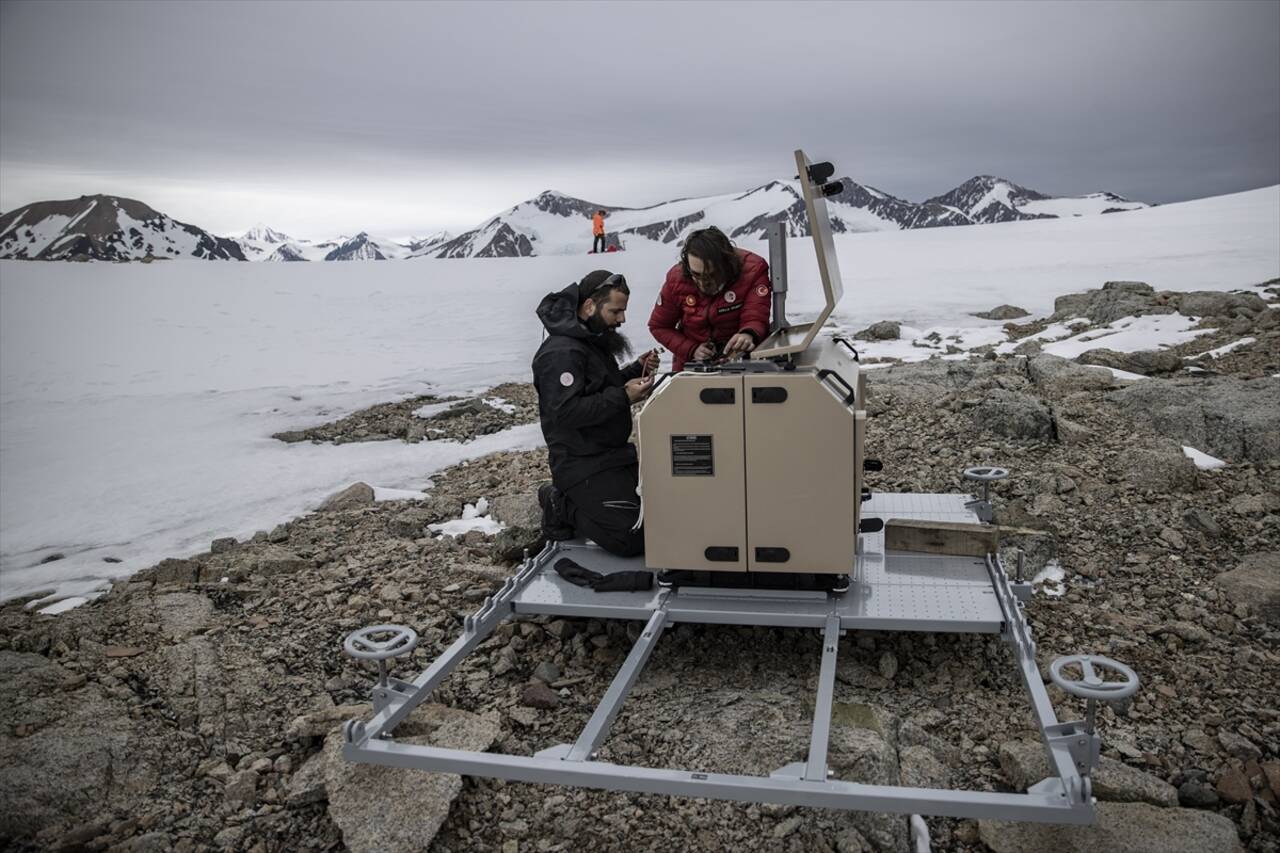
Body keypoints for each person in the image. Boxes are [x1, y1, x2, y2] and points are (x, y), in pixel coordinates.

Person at [532, 269, 659, 557]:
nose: (622, 319)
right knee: (633, 539)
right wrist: (624, 396)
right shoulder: (561, 352)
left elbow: (599, 387)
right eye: (616, 311)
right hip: (581, 463)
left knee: (662, 518)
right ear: (590, 306)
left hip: (612, 456)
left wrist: (633, 370)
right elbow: (566, 412)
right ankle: (558, 502)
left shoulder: (589, 339)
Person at [647, 226, 771, 372]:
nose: (703, 282)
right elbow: (659, 326)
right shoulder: (676, 279)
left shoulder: (753, 270)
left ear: (727, 264)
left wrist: (748, 334)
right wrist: (691, 350)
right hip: (692, 368)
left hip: (742, 362)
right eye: (697, 275)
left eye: (712, 275)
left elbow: (755, 314)